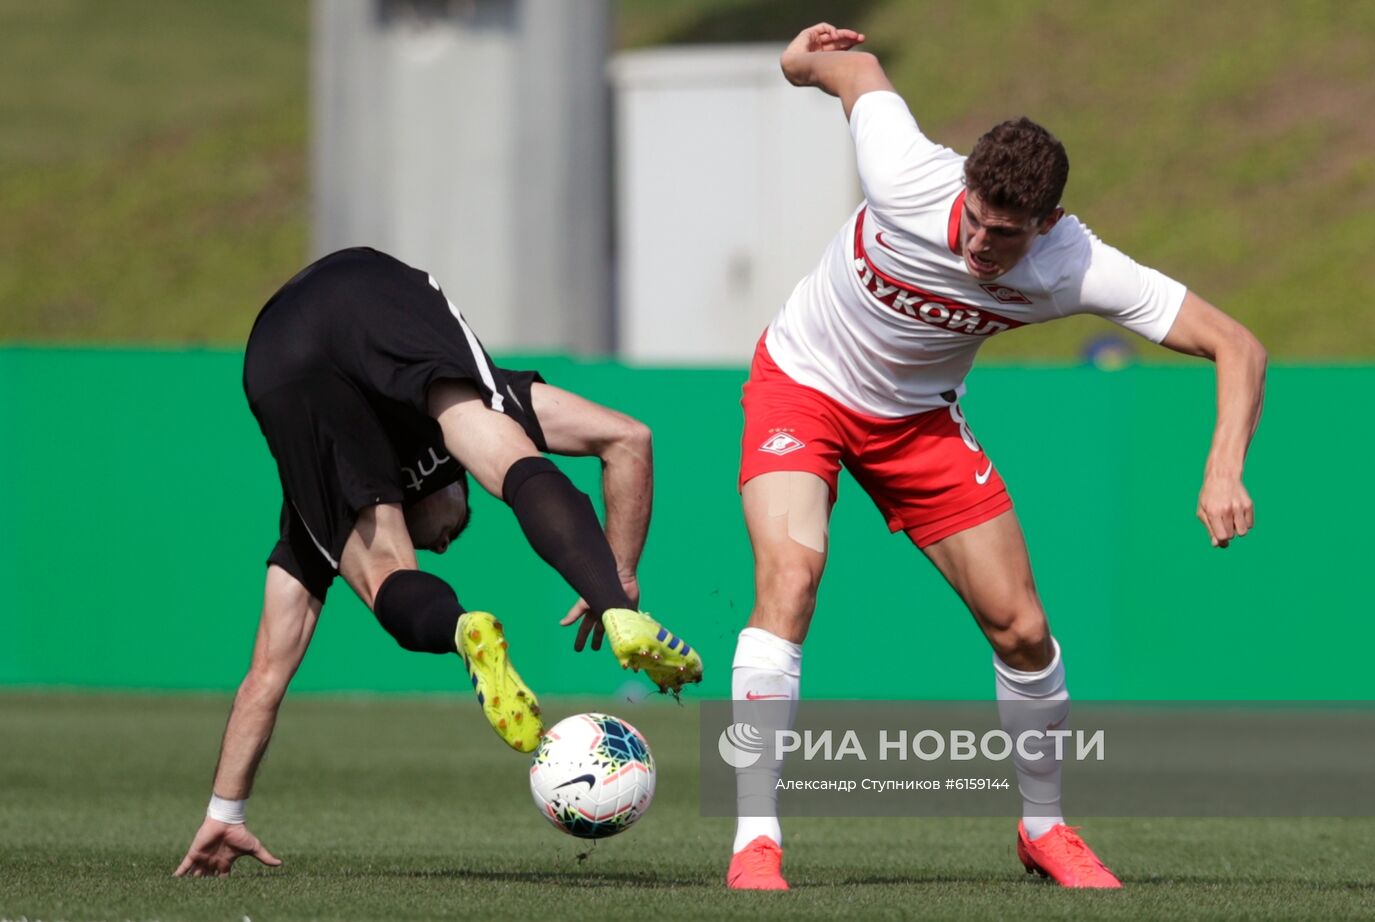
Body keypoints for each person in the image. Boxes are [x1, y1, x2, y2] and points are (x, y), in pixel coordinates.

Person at [726, 25, 1266, 890]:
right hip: (804, 385)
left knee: (1023, 632)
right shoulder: (905, 172)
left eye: (1005, 235)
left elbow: (1237, 345)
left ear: (1045, 224)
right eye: (976, 221)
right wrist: (797, 60)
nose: (980, 245)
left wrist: (1224, 466)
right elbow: (851, 67)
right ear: (965, 188)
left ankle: (1044, 830)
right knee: (791, 578)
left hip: (917, 424)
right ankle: (755, 842)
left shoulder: (1073, 263)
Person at [173, 247, 702, 877]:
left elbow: (265, 675)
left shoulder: (315, 510)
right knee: (494, 446)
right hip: (363, 294)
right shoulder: (448, 425)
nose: (445, 541)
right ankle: (591, 616)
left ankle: (460, 629)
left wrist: (225, 811)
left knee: (386, 571)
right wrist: (614, 581)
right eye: (447, 538)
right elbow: (627, 438)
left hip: (279, 353)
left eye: (443, 541)